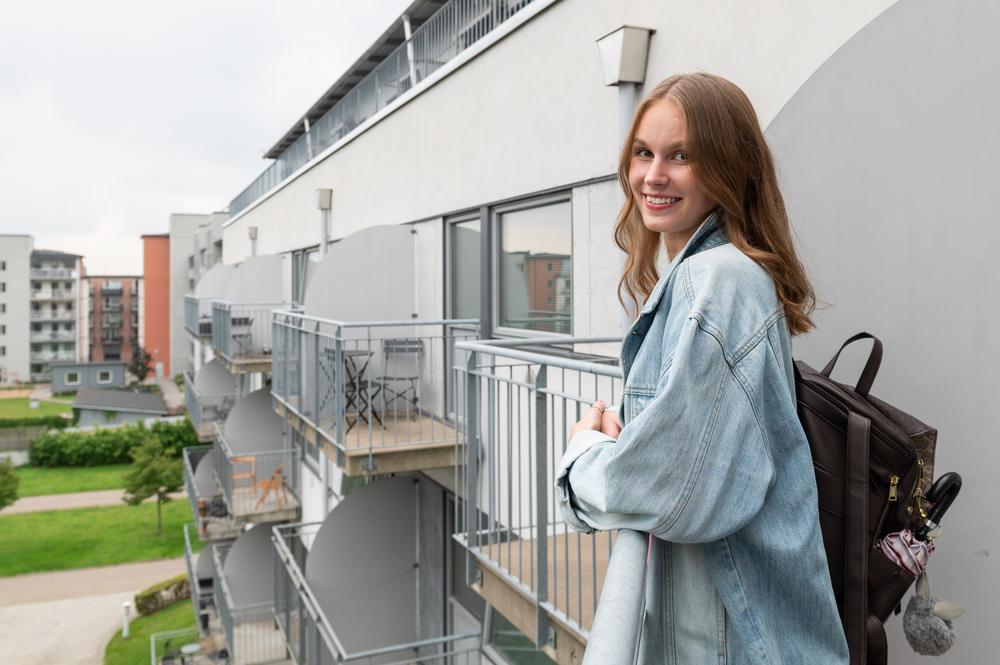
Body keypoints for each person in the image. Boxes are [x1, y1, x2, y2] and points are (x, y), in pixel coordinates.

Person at [554, 73, 850, 664]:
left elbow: (671, 489)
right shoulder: (713, 274)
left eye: (681, 156)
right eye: (643, 153)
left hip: (740, 643)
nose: (653, 176)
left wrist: (582, 456)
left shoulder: (719, 281)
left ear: (728, 168)